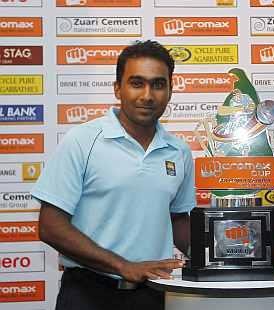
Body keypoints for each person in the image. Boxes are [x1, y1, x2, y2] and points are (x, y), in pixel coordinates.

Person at [31, 40, 196, 310]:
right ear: (118, 88)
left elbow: (178, 221)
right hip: (88, 293)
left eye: (157, 84)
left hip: (153, 294)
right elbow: (50, 227)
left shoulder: (179, 151)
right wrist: (123, 266)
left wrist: (233, 255)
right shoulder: (83, 140)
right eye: (136, 83)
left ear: (170, 90)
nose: (147, 95)